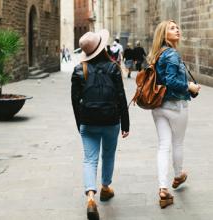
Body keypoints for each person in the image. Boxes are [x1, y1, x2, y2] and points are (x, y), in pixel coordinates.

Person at [71, 29, 130, 220]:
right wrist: (125, 124)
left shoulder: (79, 69)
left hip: (88, 121)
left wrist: (80, 124)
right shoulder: (113, 67)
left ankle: (90, 197)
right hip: (111, 120)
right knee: (108, 154)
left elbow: (75, 101)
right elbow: (121, 97)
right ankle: (105, 187)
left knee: (89, 159)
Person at [147, 20, 201, 208]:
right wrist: (190, 86)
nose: (177, 29)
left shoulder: (158, 53)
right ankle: (178, 176)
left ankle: (163, 189)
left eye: (178, 26)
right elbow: (171, 81)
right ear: (163, 34)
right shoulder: (171, 54)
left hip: (158, 106)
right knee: (177, 143)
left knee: (163, 146)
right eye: (172, 28)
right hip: (175, 105)